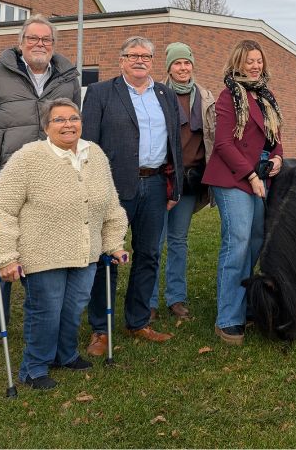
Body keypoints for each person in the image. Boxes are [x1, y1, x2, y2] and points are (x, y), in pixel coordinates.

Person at [0, 98, 129, 390]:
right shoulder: (29, 157)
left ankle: (65, 354)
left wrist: (114, 244)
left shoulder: (95, 154)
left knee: (73, 308)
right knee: (46, 311)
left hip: (85, 252)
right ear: (46, 126)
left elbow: (110, 204)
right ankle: (34, 367)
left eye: (73, 118)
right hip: (42, 252)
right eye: (59, 119)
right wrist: (5, 256)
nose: (68, 124)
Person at [0, 15, 81, 351]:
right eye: (33, 38)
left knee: (47, 251)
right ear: (21, 43)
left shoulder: (68, 79)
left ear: (54, 45)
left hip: (52, 178)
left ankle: (45, 320)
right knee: (1, 248)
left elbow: (72, 123)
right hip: (8, 179)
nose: (40, 44)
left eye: (46, 39)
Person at [81, 36, 184, 356]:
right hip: (112, 187)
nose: (140, 60)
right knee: (106, 256)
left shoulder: (165, 94)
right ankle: (101, 328)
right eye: (133, 55)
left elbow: (175, 143)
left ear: (153, 61)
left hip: (155, 185)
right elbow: (88, 144)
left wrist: (175, 185)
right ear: (121, 60)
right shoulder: (100, 92)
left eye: (146, 56)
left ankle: (138, 321)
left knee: (149, 254)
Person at [202, 39, 284, 345]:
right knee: (236, 244)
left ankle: (245, 304)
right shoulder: (229, 96)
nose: (255, 66)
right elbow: (223, 143)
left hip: (260, 176)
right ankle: (227, 318)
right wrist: (250, 175)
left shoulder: (266, 96)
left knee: (255, 242)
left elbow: (275, 138)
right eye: (249, 61)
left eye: (259, 61)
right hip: (233, 177)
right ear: (238, 63)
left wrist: (277, 158)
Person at [145, 42, 216, 321]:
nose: (183, 68)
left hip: (189, 181)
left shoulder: (206, 97)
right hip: (161, 179)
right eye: (177, 63)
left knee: (178, 240)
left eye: (187, 63)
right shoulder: (156, 94)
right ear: (169, 67)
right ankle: (148, 301)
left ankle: (176, 298)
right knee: (154, 241)